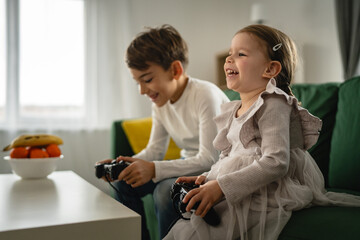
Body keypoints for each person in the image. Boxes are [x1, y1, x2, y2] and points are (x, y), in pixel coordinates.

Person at [164, 24, 360, 240]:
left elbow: (276, 162)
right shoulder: (234, 109)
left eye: (241, 54)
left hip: (270, 186)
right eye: (230, 54)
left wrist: (221, 187)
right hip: (239, 182)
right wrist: (206, 178)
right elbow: (228, 157)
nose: (229, 59)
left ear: (270, 69)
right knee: (185, 227)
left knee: (199, 232)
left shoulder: (273, 103)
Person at [98, 24, 229, 240]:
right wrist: (124, 166)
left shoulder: (205, 95)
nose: (142, 90)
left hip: (215, 170)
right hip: (190, 166)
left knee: (164, 191)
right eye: (137, 81)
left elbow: (209, 159)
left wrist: (153, 169)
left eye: (147, 79)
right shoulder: (160, 102)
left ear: (176, 70)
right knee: (123, 183)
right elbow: (155, 151)